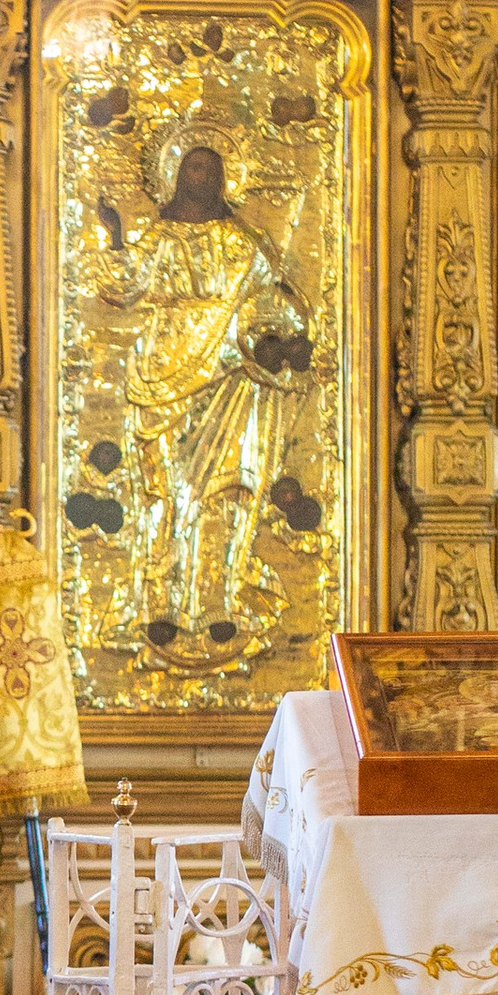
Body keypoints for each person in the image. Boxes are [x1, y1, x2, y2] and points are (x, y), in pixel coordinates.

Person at [95, 141, 311, 645]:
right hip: (160, 374)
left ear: (223, 180)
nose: (201, 177)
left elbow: (273, 302)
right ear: (174, 175)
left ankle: (218, 600)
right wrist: (117, 234)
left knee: (224, 493)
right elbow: (123, 289)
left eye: (210, 170)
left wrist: (281, 341)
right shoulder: (159, 238)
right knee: (162, 493)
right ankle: (160, 602)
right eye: (192, 167)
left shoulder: (242, 244)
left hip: (228, 378)